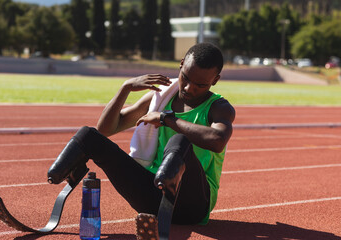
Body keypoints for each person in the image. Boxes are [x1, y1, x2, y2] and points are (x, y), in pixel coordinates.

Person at [48, 42, 235, 238]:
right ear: (181, 65)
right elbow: (105, 129)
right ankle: (55, 179)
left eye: (200, 85)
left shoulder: (220, 108)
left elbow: (218, 139)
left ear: (215, 80)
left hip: (192, 206)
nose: (189, 88)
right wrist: (125, 88)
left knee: (180, 142)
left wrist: (166, 119)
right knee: (88, 136)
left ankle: (166, 187)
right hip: (151, 197)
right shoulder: (161, 97)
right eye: (185, 78)